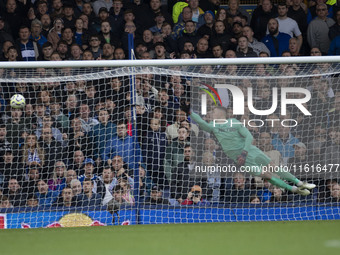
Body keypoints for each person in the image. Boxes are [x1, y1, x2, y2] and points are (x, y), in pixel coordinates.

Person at [184, 105, 316, 196]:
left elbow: (249, 136)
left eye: (213, 111)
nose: (210, 113)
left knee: (273, 167)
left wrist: (244, 152)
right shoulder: (212, 126)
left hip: (249, 151)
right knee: (266, 175)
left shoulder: (234, 122)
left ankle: (300, 183)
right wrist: (191, 113)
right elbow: (201, 122)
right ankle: (293, 189)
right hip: (239, 158)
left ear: (220, 113)